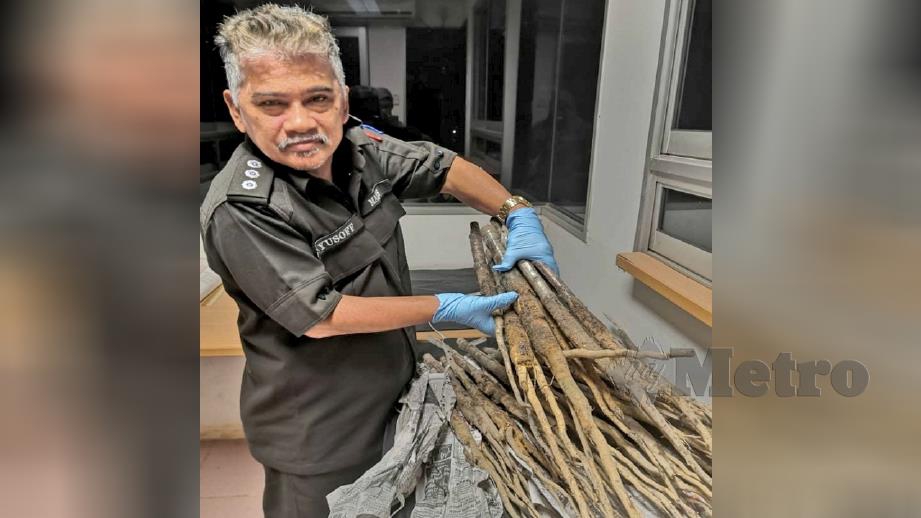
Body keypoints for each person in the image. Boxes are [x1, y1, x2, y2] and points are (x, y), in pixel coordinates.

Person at [200, 4, 559, 516]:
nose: (300, 122)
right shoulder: (243, 207)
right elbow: (322, 316)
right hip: (319, 432)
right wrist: (444, 307)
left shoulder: (358, 148)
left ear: (342, 100)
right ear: (237, 110)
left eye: (317, 98)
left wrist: (516, 211)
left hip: (396, 397)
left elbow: (442, 166)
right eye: (272, 104)